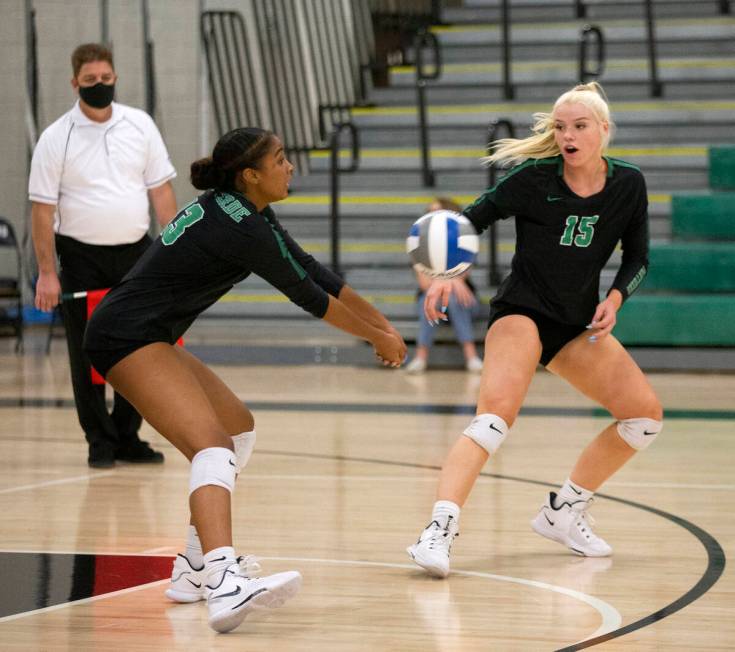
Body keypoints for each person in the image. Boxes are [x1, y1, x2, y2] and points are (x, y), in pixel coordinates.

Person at [82, 126, 407, 632]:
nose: (290, 165)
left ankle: (191, 570)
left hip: (148, 333)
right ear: (251, 175)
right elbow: (309, 297)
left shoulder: (245, 210)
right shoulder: (240, 226)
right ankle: (222, 582)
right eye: (280, 159)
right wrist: (375, 339)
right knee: (213, 447)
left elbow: (316, 273)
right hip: (125, 335)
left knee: (236, 430)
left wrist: (384, 327)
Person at [407, 82, 663, 578]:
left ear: (603, 131)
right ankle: (438, 531)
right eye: (560, 127)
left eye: (580, 126)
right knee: (494, 419)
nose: (568, 135)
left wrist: (615, 299)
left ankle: (564, 511)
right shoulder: (533, 178)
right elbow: (466, 221)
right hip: (522, 312)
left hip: (576, 323)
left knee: (644, 418)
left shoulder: (628, 184)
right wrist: (444, 273)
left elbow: (638, 257)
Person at [29, 43, 177, 468]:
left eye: (106, 80)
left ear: (115, 78)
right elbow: (42, 209)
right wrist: (46, 274)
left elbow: (161, 190)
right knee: (88, 351)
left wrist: (171, 248)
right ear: (75, 83)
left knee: (140, 349)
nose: (100, 86)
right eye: (91, 81)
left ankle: (129, 436)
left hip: (137, 254)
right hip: (80, 258)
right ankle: (100, 439)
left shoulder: (140, 125)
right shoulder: (56, 137)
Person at [405, 197, 483, 374]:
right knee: (431, 299)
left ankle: (471, 356)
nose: (431, 217)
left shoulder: (464, 242)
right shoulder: (418, 247)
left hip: (464, 302)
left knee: (455, 299)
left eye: (437, 212)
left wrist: (449, 280)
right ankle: (420, 357)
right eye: (429, 213)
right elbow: (425, 285)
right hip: (432, 300)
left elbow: (463, 275)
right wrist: (452, 279)